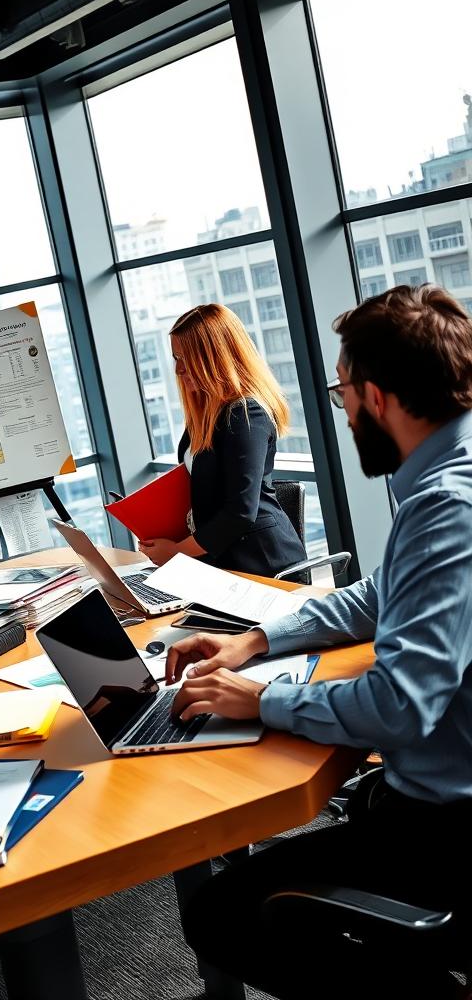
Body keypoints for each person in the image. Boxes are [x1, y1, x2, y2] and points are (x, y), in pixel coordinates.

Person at [165, 285, 472, 998]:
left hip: (448, 827)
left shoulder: (446, 506)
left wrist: (260, 700)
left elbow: (399, 709)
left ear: (375, 395)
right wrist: (255, 643)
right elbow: (378, 595)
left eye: (344, 398)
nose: (346, 416)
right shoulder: (447, 477)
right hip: (437, 791)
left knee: (223, 914)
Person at [138, 303, 306, 578]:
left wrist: (176, 551)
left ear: (214, 357)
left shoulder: (246, 413)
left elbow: (239, 513)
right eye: (175, 358)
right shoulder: (204, 415)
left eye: (186, 358)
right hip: (220, 564)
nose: (179, 370)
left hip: (263, 566)